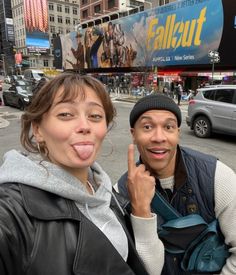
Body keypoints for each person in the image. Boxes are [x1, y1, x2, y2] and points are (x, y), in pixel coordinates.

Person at [0, 72, 164, 275]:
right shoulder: (12, 210)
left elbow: (150, 268)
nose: (85, 126)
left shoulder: (104, 191)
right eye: (66, 114)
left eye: (95, 116)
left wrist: (141, 210)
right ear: (39, 130)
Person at [117, 94, 236, 275]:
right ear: (134, 134)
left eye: (168, 127)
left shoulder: (217, 175)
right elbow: (148, 270)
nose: (159, 137)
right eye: (147, 127)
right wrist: (140, 210)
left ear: (177, 133)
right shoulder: (120, 192)